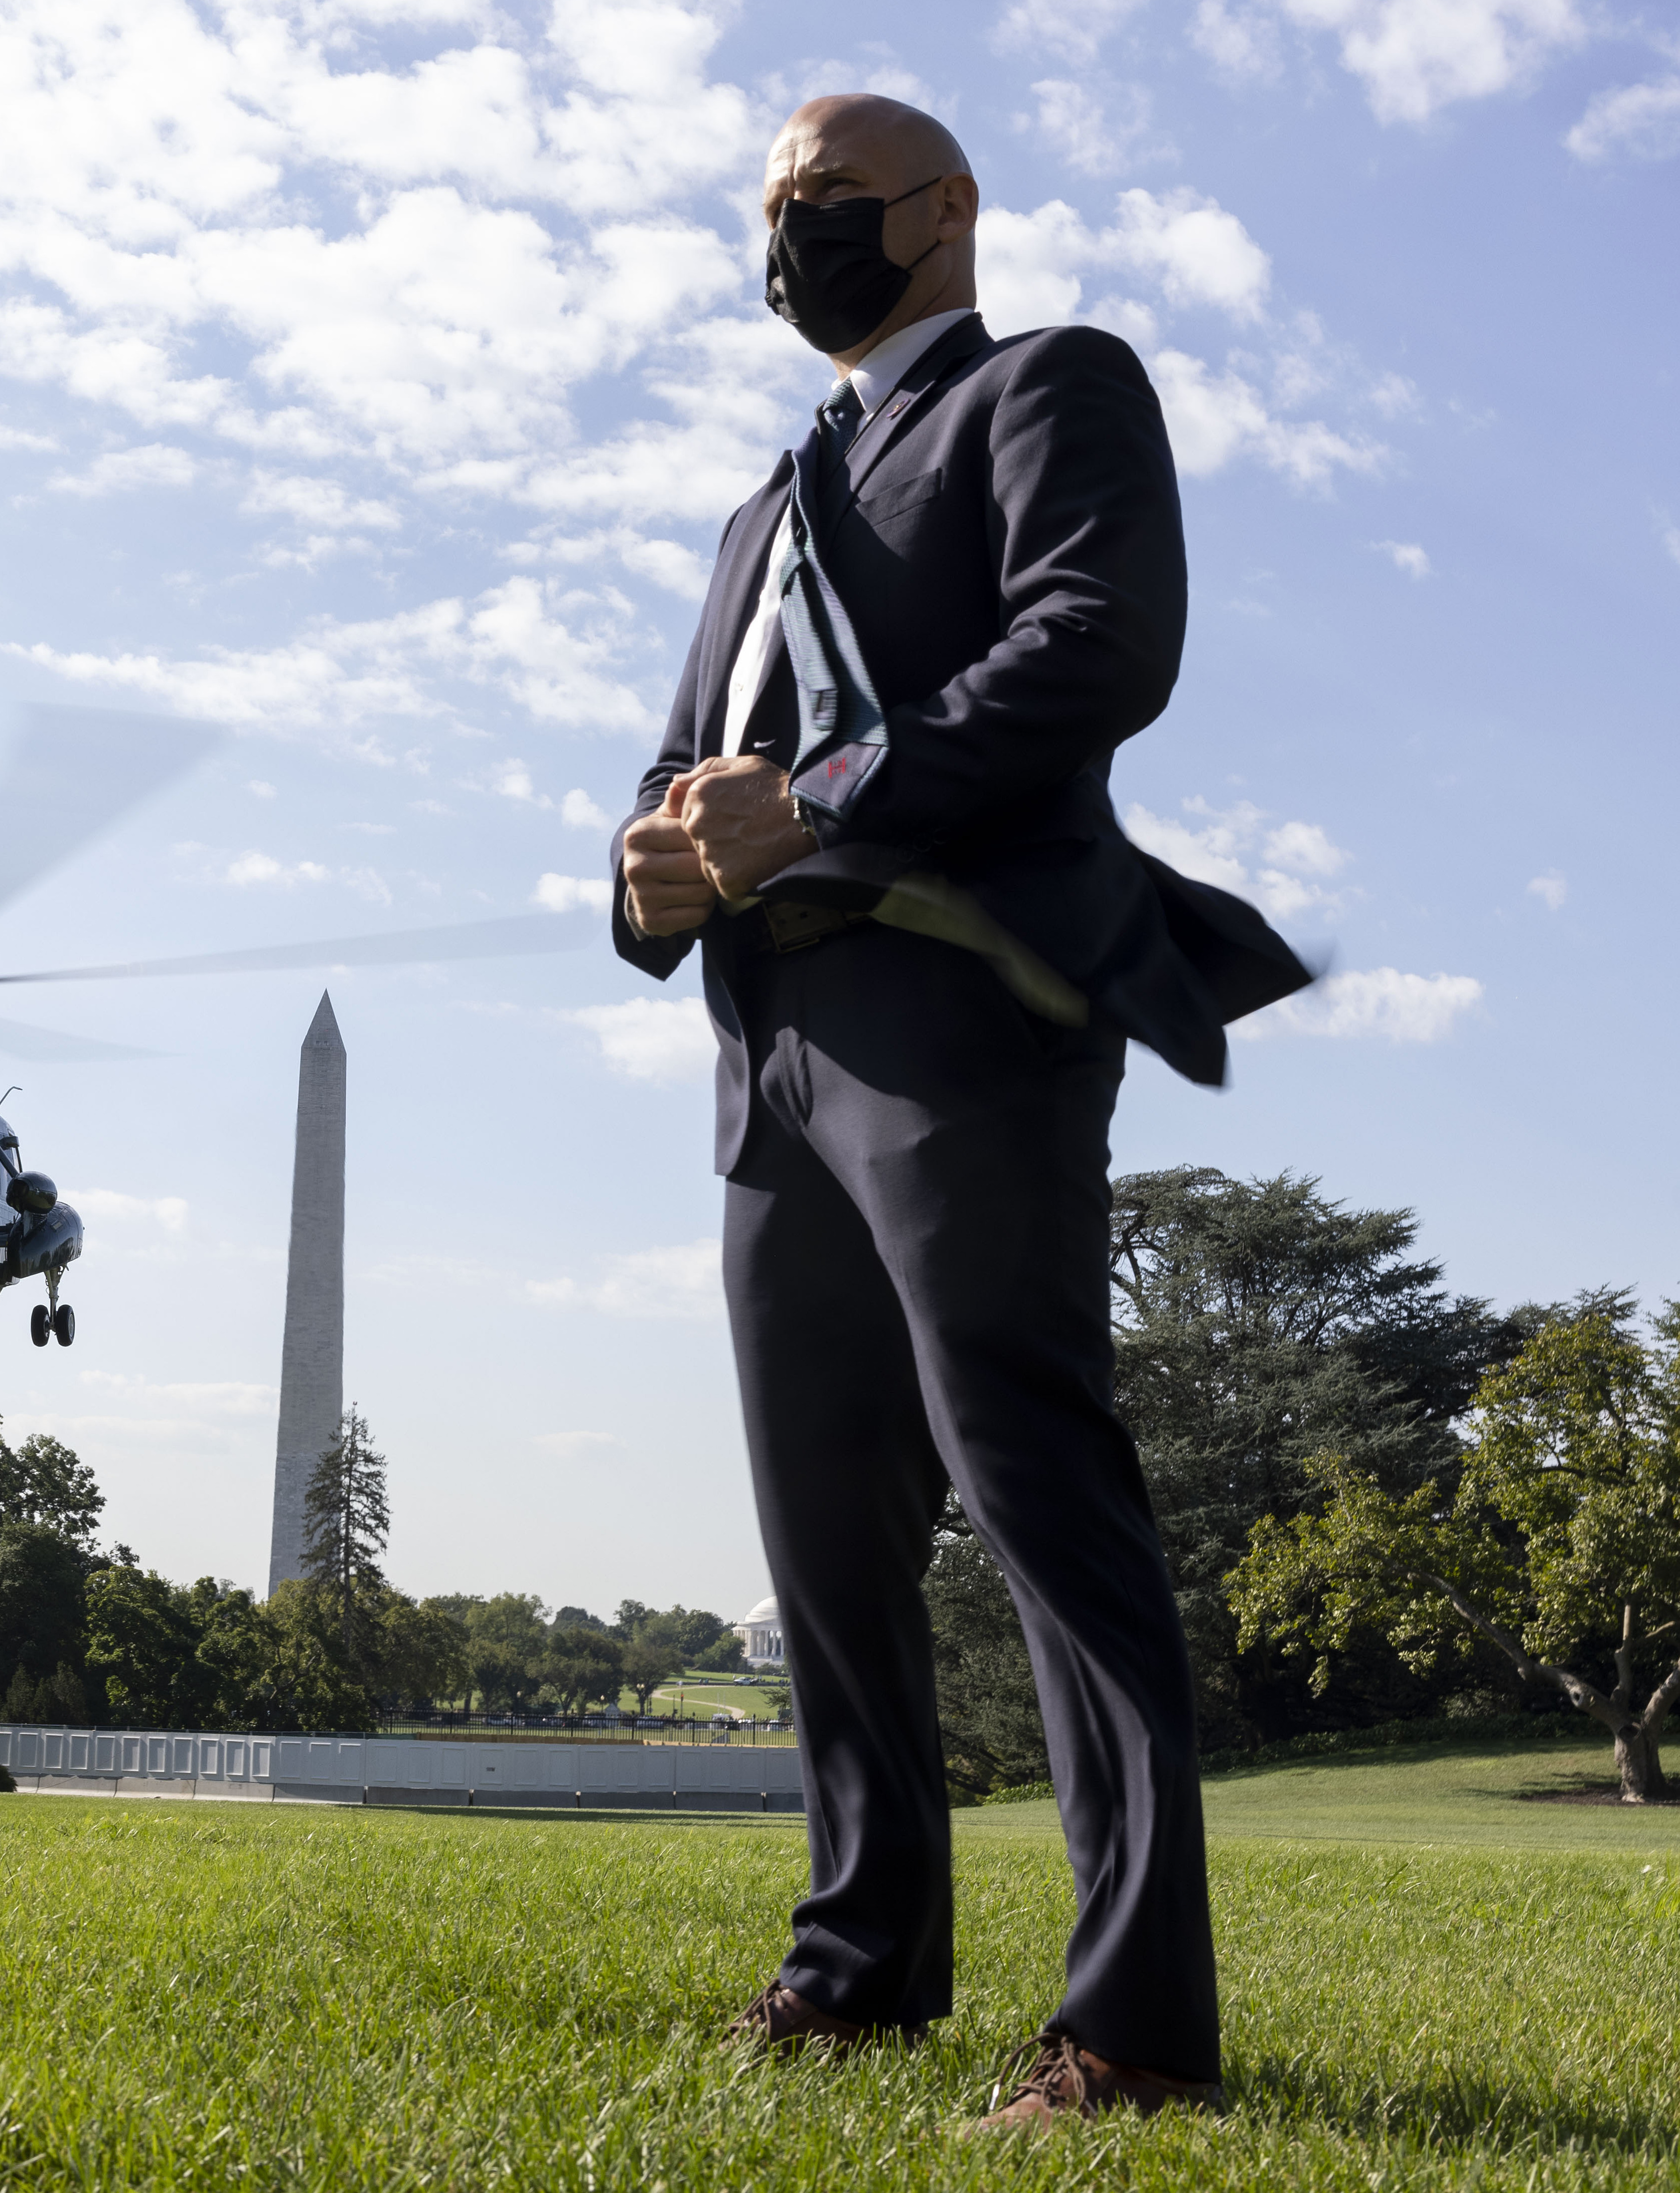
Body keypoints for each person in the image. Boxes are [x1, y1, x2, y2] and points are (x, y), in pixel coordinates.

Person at [609, 93, 1308, 2129]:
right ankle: (858, 1963)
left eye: (816, 204)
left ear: (937, 212)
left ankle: (1134, 2031)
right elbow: (681, 767)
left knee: (1030, 1490)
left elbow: (1097, 643)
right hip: (770, 1061)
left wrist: (817, 802)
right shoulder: (760, 504)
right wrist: (643, 871)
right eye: (765, 211)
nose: (783, 239)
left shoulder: (1044, 389)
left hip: (958, 1009)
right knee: (825, 1531)